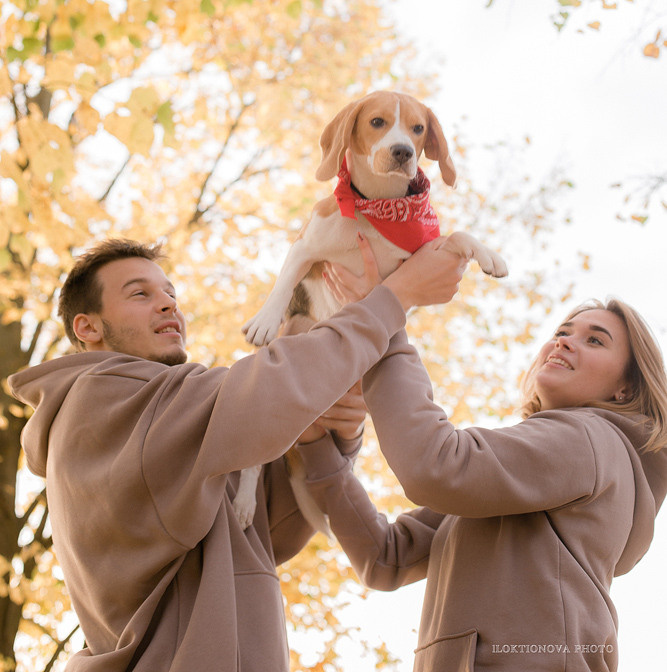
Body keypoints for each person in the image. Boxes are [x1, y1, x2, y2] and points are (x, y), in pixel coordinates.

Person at [8, 235, 465, 672]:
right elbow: (269, 386)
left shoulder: (160, 434)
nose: (169, 303)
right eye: (140, 294)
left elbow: (269, 529)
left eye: (169, 292)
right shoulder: (101, 403)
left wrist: (329, 436)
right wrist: (392, 296)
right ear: (87, 327)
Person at [294, 237, 667, 671]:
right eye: (561, 333)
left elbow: (434, 464)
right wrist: (316, 446)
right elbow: (386, 557)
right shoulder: (523, 474)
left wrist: (386, 323)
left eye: (594, 340)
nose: (563, 342)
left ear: (627, 388)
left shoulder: (590, 440)